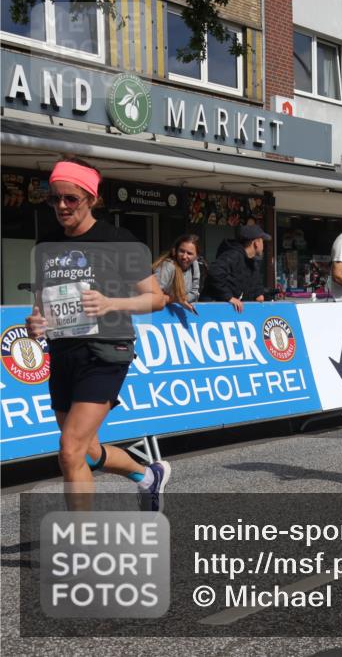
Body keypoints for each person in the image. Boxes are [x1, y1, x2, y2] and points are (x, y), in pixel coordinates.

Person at [25, 157, 169, 511]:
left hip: (107, 350)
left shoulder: (118, 240)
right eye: (55, 198)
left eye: (70, 198)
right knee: (85, 449)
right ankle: (147, 476)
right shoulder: (46, 245)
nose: (61, 206)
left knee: (69, 449)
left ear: (91, 197)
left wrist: (109, 303)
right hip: (63, 353)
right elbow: (40, 304)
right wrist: (36, 322)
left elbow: (157, 298)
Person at [204, 224, 269, 312]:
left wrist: (258, 293)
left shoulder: (252, 262)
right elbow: (214, 272)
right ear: (256, 243)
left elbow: (255, 283)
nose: (263, 246)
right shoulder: (233, 255)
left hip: (234, 313)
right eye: (262, 241)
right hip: (214, 311)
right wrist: (229, 297)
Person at [152, 234, 201, 312]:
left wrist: (181, 299)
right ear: (175, 251)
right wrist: (177, 299)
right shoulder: (168, 266)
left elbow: (194, 293)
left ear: (196, 256)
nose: (184, 256)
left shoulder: (194, 265)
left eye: (189, 253)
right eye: (181, 251)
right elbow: (153, 297)